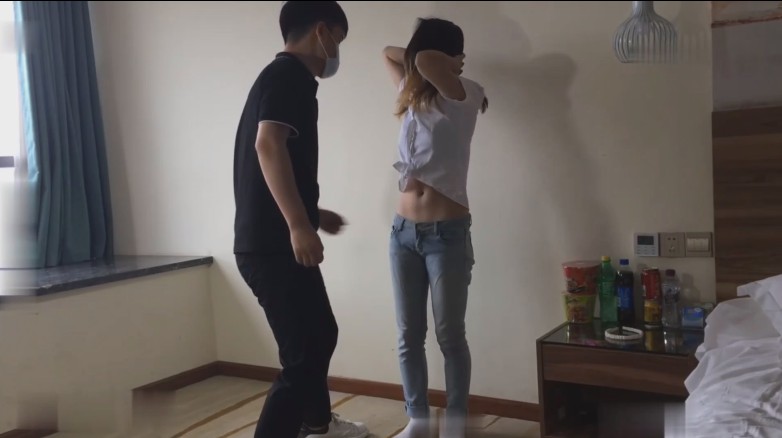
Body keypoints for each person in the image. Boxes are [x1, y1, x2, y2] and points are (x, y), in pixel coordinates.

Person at [233, 2, 368, 437]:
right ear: (322, 32)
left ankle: (317, 425)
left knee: (320, 335)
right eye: (338, 41)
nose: (336, 53)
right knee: (303, 354)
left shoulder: (285, 78)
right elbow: (268, 145)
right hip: (271, 244)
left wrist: (312, 214)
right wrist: (297, 224)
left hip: (273, 240)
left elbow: (279, 157)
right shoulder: (287, 76)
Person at [383, 18, 488, 438]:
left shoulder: (465, 94)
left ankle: (456, 422)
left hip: (447, 234)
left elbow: (423, 58)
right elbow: (388, 53)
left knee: (449, 335)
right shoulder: (414, 95)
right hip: (402, 233)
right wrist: (425, 58)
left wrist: (442, 59)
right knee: (409, 335)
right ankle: (419, 420)